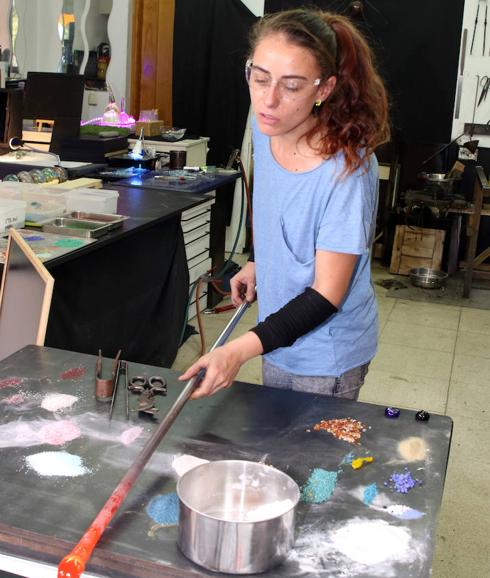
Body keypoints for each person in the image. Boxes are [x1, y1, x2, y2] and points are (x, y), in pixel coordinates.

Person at [179, 7, 390, 400]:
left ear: (323, 90)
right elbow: (276, 208)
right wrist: (259, 261)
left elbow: (327, 294)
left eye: (291, 87)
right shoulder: (267, 130)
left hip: (327, 353)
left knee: (307, 458)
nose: (269, 99)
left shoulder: (346, 170)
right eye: (259, 79)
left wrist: (238, 351)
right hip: (277, 332)